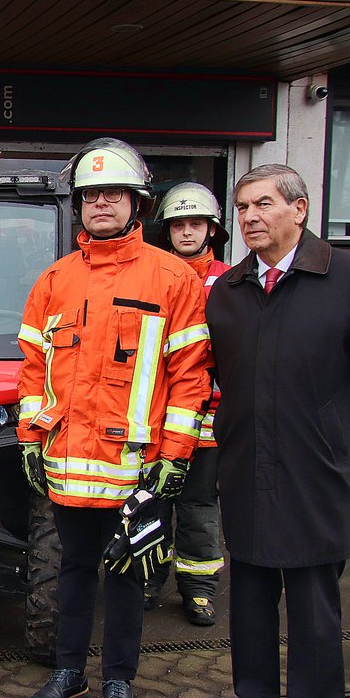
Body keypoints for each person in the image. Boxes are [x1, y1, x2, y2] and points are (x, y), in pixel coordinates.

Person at [196, 164, 350, 698]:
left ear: (299, 209)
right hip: (247, 467)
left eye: (264, 204)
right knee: (247, 600)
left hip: (317, 471)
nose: (249, 217)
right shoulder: (229, 290)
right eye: (243, 207)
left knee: (313, 608)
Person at [18, 139, 210, 698]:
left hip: (135, 465)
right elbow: (32, 367)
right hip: (68, 462)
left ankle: (119, 680)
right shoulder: (54, 280)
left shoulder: (173, 278)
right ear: (78, 207)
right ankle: (69, 672)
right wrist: (30, 436)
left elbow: (190, 376)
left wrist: (174, 455)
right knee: (73, 568)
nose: (100, 203)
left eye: (113, 193)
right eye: (90, 195)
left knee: (126, 574)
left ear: (138, 204)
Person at [144, 182, 231, 626]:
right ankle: (148, 579)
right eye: (178, 224)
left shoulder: (231, 280)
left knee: (198, 507)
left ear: (211, 230)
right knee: (154, 502)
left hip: (207, 420)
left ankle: (198, 589)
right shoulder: (152, 275)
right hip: (156, 418)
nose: (186, 232)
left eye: (195, 223)